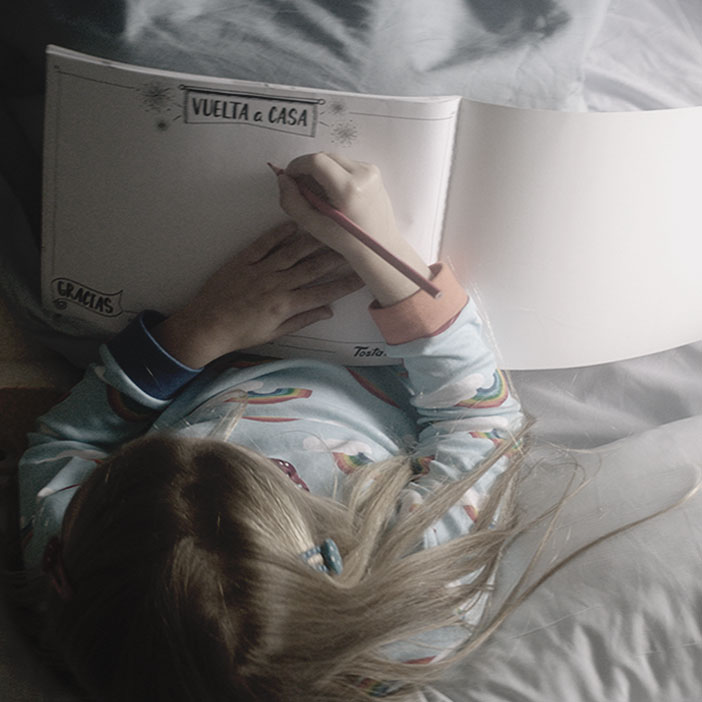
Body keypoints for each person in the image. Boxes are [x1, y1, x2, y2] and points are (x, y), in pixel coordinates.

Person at [17, 152, 526, 701]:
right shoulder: (415, 589)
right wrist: (380, 248)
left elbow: (64, 442)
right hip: (385, 350)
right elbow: (482, 415)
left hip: (208, 331)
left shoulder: (90, 579)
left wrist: (195, 331)